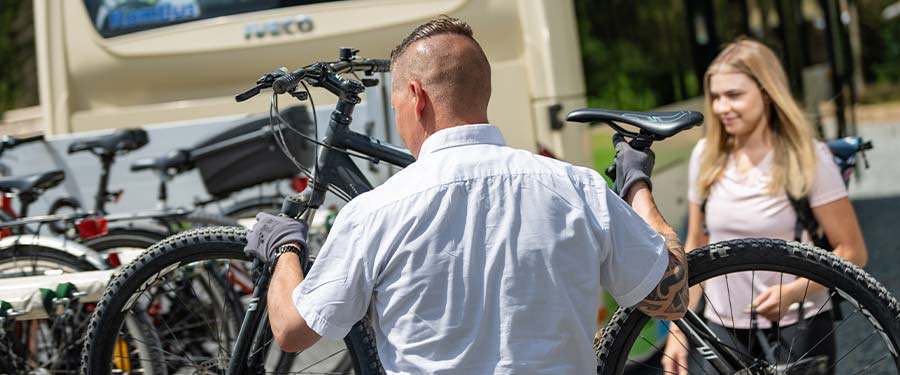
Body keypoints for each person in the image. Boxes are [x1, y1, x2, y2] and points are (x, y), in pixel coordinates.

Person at [245, 16, 688, 374]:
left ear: (416, 97)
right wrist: (635, 186)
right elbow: (671, 296)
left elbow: (291, 330)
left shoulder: (374, 212)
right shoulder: (578, 186)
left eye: (396, 103)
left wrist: (285, 247)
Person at [662, 38, 868, 374]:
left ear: (767, 92)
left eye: (734, 95)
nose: (720, 107)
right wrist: (677, 331)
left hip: (798, 325)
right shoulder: (706, 157)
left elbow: (853, 251)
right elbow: (696, 247)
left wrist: (792, 292)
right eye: (715, 96)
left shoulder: (808, 157)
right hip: (723, 331)